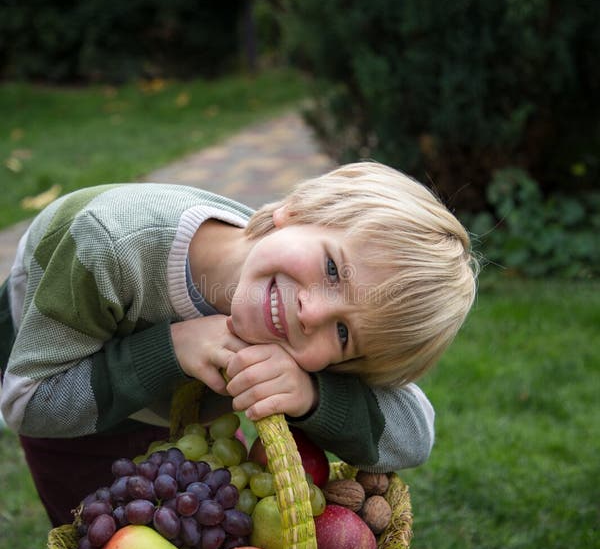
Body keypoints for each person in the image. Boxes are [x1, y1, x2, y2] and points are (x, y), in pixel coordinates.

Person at [0, 161, 478, 526]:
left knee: (202, 533)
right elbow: (27, 404)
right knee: (104, 542)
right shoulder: (108, 246)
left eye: (343, 333)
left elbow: (415, 434)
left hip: (170, 415)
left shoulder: (296, 316)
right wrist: (169, 352)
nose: (312, 313)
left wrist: (313, 395)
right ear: (295, 214)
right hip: (58, 365)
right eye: (333, 269)